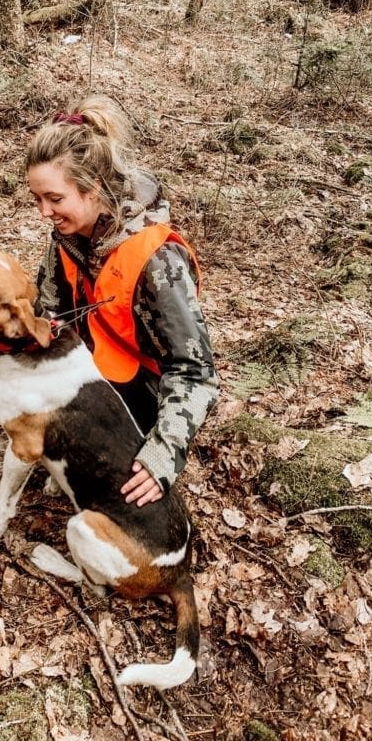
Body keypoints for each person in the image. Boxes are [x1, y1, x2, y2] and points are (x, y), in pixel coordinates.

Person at [26, 95, 219, 507]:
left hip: (143, 391)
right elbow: (47, 311)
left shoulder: (156, 260)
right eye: (38, 199)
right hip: (91, 370)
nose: (44, 212)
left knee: (124, 496)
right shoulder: (68, 235)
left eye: (55, 199)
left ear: (93, 187)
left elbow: (195, 371)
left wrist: (162, 455)